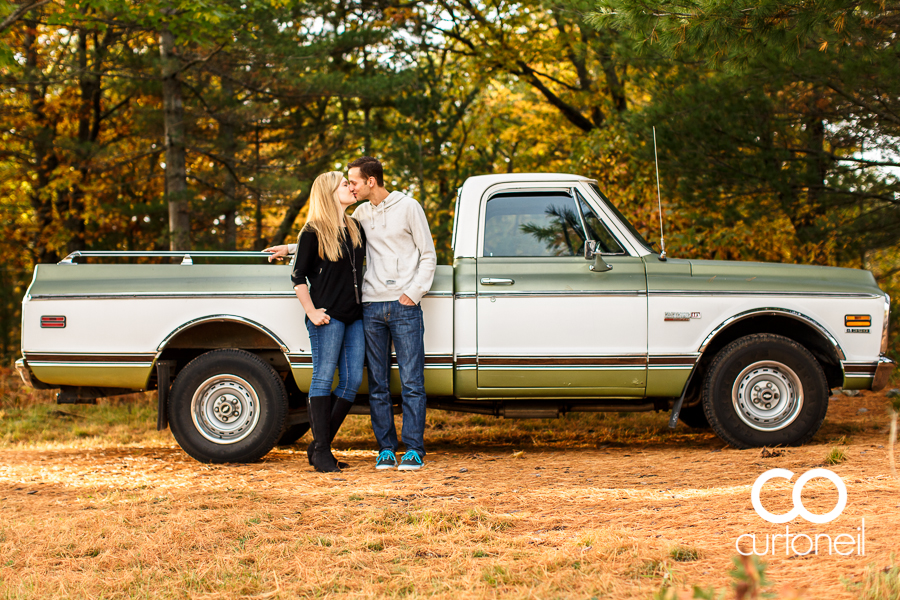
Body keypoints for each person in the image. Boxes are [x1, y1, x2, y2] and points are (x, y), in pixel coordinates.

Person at [267, 157, 436, 471]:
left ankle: (409, 448)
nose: (350, 186)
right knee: (374, 384)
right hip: (359, 310)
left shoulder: (390, 212)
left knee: (393, 381)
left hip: (388, 309)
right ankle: (375, 449)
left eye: (353, 181)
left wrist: (411, 294)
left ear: (370, 181)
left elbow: (427, 255)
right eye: (345, 184)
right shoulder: (357, 215)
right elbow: (320, 237)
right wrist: (291, 249)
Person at [287, 171, 366, 473]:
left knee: (351, 383)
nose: (350, 187)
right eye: (344, 184)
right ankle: (322, 452)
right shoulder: (311, 231)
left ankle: (318, 445)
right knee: (322, 379)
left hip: (355, 316)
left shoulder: (355, 227)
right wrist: (311, 312)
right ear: (329, 193)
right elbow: (298, 277)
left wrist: (288, 248)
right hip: (327, 317)